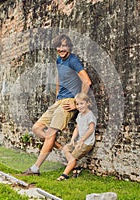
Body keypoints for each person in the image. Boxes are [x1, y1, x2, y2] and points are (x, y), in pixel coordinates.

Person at [22, 34, 92, 176]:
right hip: (59, 101)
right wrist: (56, 96)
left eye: (65, 46)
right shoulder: (59, 60)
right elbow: (60, 80)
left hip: (68, 103)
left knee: (50, 134)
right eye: (59, 46)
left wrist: (76, 103)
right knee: (36, 128)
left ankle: (35, 168)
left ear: (69, 47)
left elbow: (87, 82)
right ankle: (65, 153)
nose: (61, 49)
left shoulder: (73, 60)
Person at [57, 93, 96, 181]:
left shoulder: (90, 115)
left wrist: (82, 140)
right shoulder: (80, 115)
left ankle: (65, 175)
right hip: (79, 141)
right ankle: (76, 167)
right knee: (66, 149)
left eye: (81, 103)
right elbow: (77, 127)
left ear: (88, 103)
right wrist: (73, 139)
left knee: (73, 157)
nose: (79, 106)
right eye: (77, 104)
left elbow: (91, 129)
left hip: (87, 142)